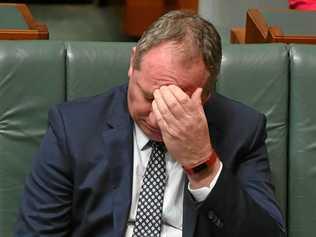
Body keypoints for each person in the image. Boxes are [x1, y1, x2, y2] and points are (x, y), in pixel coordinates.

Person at [15, 10, 286, 237]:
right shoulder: (73, 128)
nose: (158, 118)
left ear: (207, 94)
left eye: (176, 103)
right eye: (149, 97)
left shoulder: (242, 130)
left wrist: (203, 164)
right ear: (133, 63)